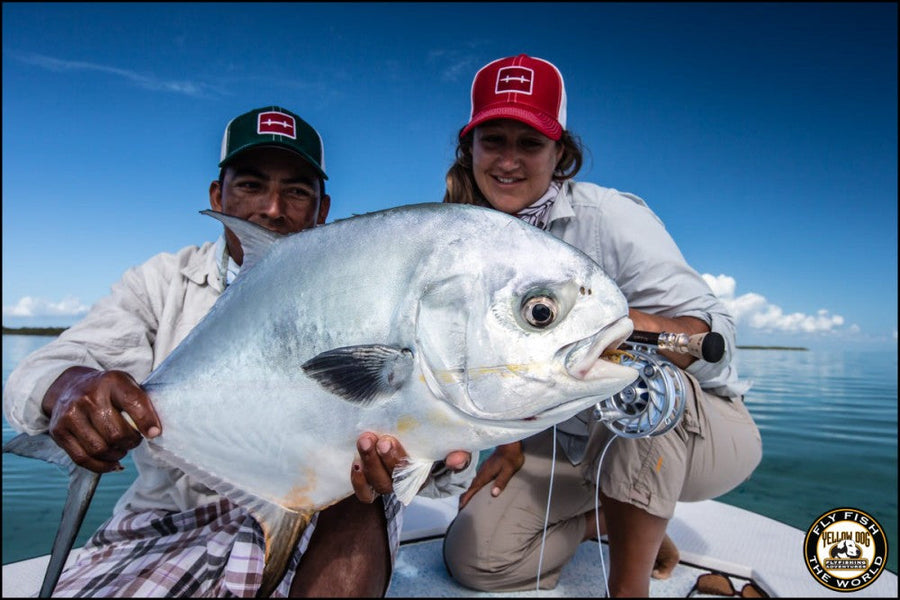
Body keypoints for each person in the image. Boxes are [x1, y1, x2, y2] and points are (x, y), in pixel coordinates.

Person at [3, 105, 473, 598]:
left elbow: (435, 464)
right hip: (169, 520)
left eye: (296, 190)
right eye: (250, 185)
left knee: (362, 491)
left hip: (321, 510)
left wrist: (425, 448)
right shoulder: (163, 284)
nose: (272, 208)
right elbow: (41, 372)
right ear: (217, 196)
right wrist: (72, 388)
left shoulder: (366, 287)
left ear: (323, 208)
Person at [440, 54, 763, 597]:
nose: (509, 161)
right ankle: (618, 520)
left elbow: (720, 337)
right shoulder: (467, 236)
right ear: (468, 149)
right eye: (493, 140)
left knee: (636, 378)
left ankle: (629, 587)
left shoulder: (611, 217)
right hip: (570, 443)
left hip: (703, 430)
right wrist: (509, 441)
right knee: (476, 561)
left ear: (560, 153)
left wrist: (627, 327)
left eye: (531, 144)